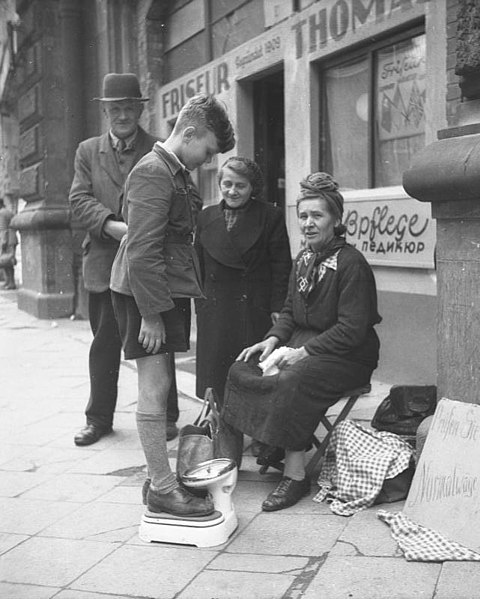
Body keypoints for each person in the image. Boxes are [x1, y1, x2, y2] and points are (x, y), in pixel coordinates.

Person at [218, 171, 382, 512]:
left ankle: (295, 476)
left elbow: (352, 329)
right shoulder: (304, 259)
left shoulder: (352, 265)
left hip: (349, 355)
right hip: (304, 343)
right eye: (303, 216)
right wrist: (273, 340)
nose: (308, 223)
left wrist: (301, 352)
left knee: (293, 379)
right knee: (240, 367)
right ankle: (268, 440)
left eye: (317, 216)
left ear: (336, 219)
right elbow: (291, 311)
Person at [110, 94, 235, 516]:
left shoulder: (173, 171)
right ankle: (163, 488)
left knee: (159, 386)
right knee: (155, 386)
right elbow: (142, 251)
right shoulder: (153, 172)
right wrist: (152, 314)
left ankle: (157, 480)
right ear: (190, 132)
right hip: (145, 295)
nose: (209, 159)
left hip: (161, 291)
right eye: (209, 150)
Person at [69, 73, 181, 447]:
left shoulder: (161, 146)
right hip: (104, 264)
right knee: (104, 345)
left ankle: (165, 416)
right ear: (105, 112)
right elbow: (78, 200)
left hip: (150, 265)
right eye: (115, 108)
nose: (122, 115)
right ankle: (98, 418)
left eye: (128, 107)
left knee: (157, 341)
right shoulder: (87, 151)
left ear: (139, 109)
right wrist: (113, 227)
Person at [194, 156, 291, 403]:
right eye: (227, 184)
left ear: (252, 188)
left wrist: (277, 306)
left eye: (240, 186)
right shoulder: (205, 217)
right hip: (215, 308)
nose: (232, 191)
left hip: (252, 308)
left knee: (250, 373)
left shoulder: (271, 216)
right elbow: (198, 265)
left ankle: (251, 424)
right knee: (215, 378)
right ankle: (216, 423)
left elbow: (281, 266)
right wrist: (201, 305)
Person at [0, 198, 17, 290]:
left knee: (7, 261)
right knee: (8, 261)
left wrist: (3, 242)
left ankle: (11, 282)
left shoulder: (1, 213)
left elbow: (3, 230)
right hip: (12, 238)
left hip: (7, 240)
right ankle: (9, 281)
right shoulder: (7, 211)